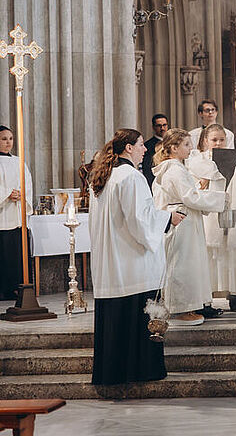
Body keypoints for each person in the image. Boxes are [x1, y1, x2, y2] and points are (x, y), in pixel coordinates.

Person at [88, 128, 183, 385]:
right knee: (139, 321)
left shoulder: (104, 176)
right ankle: (141, 370)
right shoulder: (131, 177)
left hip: (112, 264)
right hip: (132, 265)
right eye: (141, 145)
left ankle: (112, 373)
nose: (145, 149)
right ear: (128, 147)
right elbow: (140, 222)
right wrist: (168, 218)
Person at [152, 128, 227, 325]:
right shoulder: (175, 169)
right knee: (182, 265)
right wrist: (220, 198)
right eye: (186, 144)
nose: (191, 148)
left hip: (186, 219)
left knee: (189, 264)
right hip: (182, 221)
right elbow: (190, 197)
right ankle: (181, 309)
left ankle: (187, 306)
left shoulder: (176, 167)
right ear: (174, 147)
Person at [186, 124, 236, 313]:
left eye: (222, 140)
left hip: (232, 210)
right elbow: (191, 186)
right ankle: (205, 299)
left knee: (234, 253)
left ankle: (235, 296)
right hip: (209, 215)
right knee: (208, 256)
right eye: (214, 140)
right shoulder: (197, 161)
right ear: (205, 141)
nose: (218, 143)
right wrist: (204, 182)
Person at [0, 125, 32, 300]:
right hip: (2, 215)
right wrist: (6, 194)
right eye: (4, 139)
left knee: (16, 255)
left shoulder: (18, 161)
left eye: (11, 139)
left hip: (16, 215)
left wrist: (22, 193)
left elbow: (27, 182)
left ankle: (16, 287)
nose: (8, 143)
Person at [142, 113, 168, 186]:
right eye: (159, 126)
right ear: (153, 127)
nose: (162, 128)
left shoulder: (173, 143)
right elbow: (147, 169)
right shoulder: (147, 146)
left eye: (164, 125)